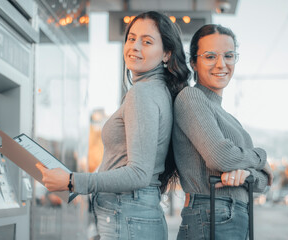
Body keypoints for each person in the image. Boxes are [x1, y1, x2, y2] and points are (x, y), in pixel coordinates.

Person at [36, 11, 190, 240]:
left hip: (127, 215)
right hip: (130, 216)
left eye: (147, 42)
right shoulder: (157, 91)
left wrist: (72, 181)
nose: (135, 47)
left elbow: (138, 174)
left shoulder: (142, 93)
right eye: (131, 38)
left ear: (167, 54)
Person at [173, 24, 273, 240]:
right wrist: (260, 157)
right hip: (210, 213)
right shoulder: (191, 98)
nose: (221, 64)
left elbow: (264, 182)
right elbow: (221, 157)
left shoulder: (229, 118)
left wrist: (247, 174)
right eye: (210, 56)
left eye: (229, 55)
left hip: (232, 215)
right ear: (193, 63)